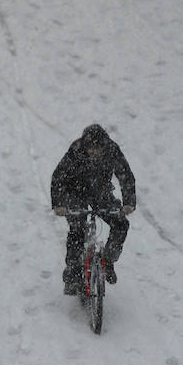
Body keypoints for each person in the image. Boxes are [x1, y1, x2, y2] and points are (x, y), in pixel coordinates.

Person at [51, 124, 136, 291]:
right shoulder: (76, 149)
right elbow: (58, 176)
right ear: (85, 145)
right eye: (91, 148)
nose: (94, 152)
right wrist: (59, 204)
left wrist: (129, 202)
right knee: (77, 229)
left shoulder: (112, 149)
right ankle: (73, 273)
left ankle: (108, 261)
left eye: (98, 149)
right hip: (75, 192)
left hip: (100, 191)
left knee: (121, 224)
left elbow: (125, 174)